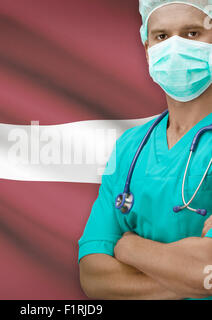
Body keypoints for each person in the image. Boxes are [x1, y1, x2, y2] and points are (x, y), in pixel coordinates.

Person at [78, 0, 212, 300]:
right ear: (147, 45)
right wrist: (187, 274)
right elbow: (92, 274)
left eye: (192, 34)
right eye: (162, 36)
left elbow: (208, 270)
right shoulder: (130, 147)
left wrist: (128, 247)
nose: (175, 48)